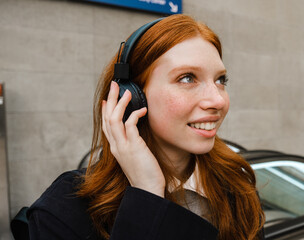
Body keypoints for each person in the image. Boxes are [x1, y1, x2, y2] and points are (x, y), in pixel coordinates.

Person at [27, 14, 264, 240]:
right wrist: (146, 195)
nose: (218, 101)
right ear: (130, 96)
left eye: (221, 80)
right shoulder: (64, 209)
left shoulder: (236, 186)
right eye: (187, 78)